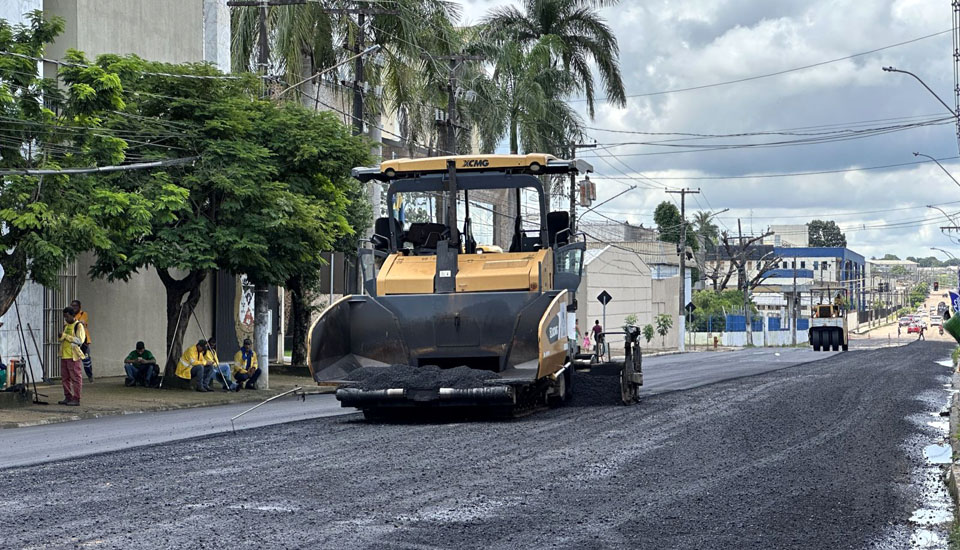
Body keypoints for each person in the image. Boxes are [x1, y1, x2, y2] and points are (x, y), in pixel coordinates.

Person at [58, 306, 86, 406]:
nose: (66, 319)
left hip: (73, 356)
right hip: (64, 355)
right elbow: (62, 339)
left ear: (72, 315)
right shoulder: (65, 326)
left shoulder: (78, 326)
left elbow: (80, 340)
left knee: (75, 378)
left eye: (67, 316)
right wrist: (61, 336)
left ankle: (76, 398)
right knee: (65, 378)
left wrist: (65, 336)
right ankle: (68, 396)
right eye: (64, 317)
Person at [70, 300, 93, 382]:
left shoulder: (84, 314)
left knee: (86, 359)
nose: (74, 307)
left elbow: (82, 322)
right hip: (74, 339)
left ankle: (90, 375)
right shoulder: (70, 315)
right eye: (72, 306)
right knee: (73, 359)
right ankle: (74, 377)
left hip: (84, 340)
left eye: (75, 306)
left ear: (79, 307)